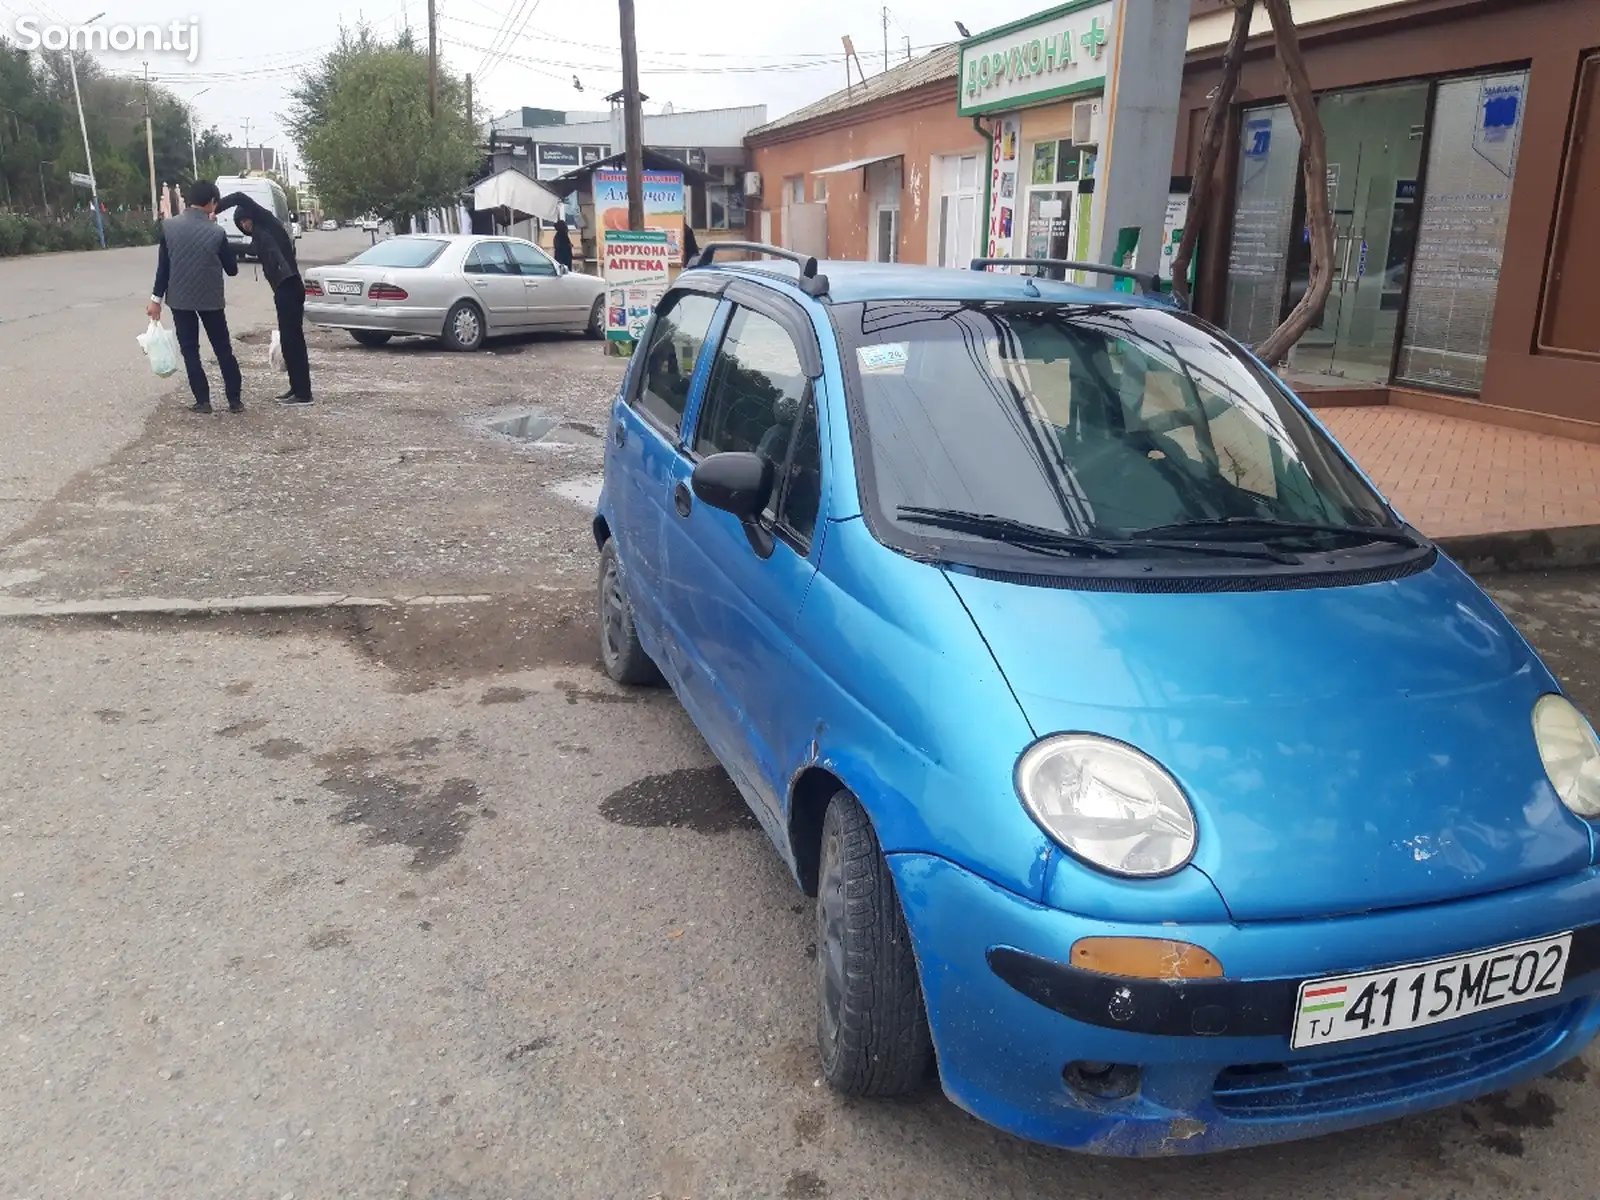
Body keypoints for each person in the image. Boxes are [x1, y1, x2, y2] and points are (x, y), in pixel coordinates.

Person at [147, 179, 242, 413]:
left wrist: (155, 300)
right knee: (222, 348)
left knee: (190, 350)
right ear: (211, 202)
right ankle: (235, 400)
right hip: (211, 300)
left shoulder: (169, 228)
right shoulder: (217, 232)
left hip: (180, 300)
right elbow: (232, 269)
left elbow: (163, 269)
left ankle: (203, 401)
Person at [216, 191, 313, 405]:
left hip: (289, 285)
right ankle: (296, 388)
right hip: (282, 288)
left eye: (246, 220)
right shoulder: (258, 236)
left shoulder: (268, 223)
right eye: (241, 223)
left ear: (253, 215)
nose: (245, 225)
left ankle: (304, 394)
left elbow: (240, 197)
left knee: (294, 341)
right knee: (288, 341)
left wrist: (213, 209)